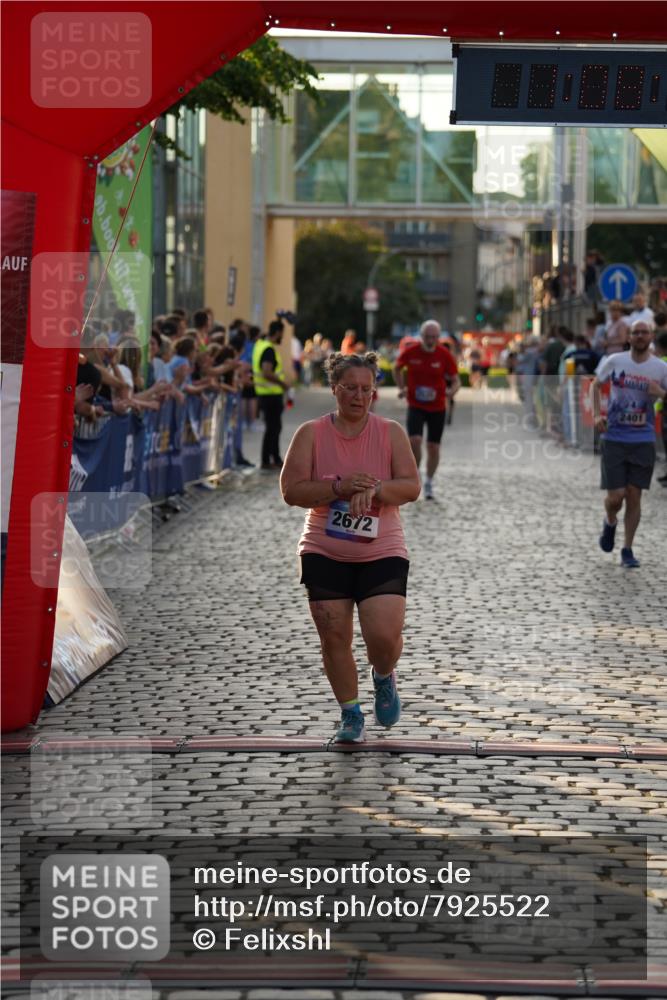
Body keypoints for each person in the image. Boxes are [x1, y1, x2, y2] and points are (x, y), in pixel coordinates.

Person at [280, 352, 420, 743]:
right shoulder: (311, 433)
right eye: (350, 389)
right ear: (334, 390)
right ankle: (350, 713)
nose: (359, 397)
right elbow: (291, 490)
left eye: (366, 389)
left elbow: (411, 485)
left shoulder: (390, 432)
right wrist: (338, 488)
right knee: (334, 636)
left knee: (383, 638)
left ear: (374, 392)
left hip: (381, 549)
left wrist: (376, 489)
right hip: (324, 549)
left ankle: (383, 674)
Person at [593, 320, 667, 567]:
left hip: (642, 439)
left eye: (644, 332)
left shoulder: (660, 368)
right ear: (629, 337)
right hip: (614, 438)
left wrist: (661, 393)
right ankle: (610, 521)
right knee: (616, 497)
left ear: (651, 336)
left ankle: (627, 549)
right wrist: (596, 414)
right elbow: (595, 384)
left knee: (634, 495)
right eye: (635, 332)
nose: (639, 336)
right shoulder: (615, 361)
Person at [392, 319, 459, 500]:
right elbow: (397, 368)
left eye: (434, 337)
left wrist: (451, 392)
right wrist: (401, 388)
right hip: (416, 405)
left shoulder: (444, 354)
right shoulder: (411, 352)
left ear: (438, 337)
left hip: (437, 407)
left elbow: (456, 379)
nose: (431, 340)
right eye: (428, 337)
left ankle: (429, 480)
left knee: (433, 447)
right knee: (414, 441)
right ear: (422, 336)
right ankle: (416, 475)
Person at [252, 319, 288, 470]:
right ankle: (270, 460)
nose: (282, 337)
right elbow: (267, 372)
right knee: (273, 428)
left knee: (273, 427)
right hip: (271, 394)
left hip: (264, 394)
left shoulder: (260, 345)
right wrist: (282, 384)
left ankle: (271, 459)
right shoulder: (268, 349)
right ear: (278, 332)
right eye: (282, 334)